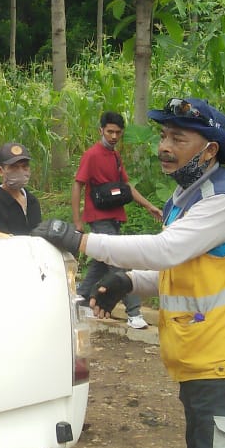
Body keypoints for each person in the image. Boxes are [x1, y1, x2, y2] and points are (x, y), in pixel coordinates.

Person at [33, 97, 225, 448]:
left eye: (178, 139)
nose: (165, 146)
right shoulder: (187, 199)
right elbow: (181, 269)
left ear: (209, 150)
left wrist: (81, 240)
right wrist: (129, 281)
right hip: (205, 365)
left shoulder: (223, 201)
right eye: (164, 136)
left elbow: (166, 251)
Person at [72, 110, 162, 329]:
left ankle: (78, 301)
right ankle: (134, 313)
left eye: (118, 132)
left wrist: (149, 205)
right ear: (101, 130)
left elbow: (127, 187)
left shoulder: (115, 156)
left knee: (101, 265)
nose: (113, 136)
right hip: (100, 219)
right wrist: (77, 220)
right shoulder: (91, 155)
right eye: (109, 131)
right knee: (120, 263)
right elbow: (78, 184)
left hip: (114, 217)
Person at [0, 142, 42, 235]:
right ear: (0, 171)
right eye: (14, 167)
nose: (20, 171)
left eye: (25, 166)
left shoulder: (32, 201)